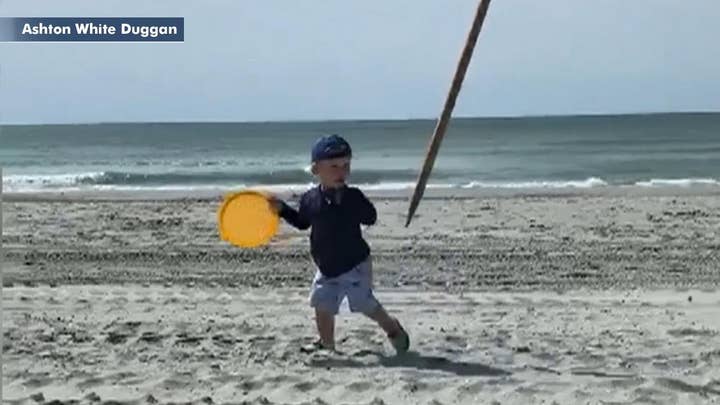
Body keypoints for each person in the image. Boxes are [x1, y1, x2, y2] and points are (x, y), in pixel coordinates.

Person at [269, 134, 410, 354]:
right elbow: (303, 223)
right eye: (333, 166)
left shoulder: (353, 196)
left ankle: (392, 327)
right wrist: (283, 210)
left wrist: (354, 206)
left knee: (364, 303)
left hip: (355, 263)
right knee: (321, 304)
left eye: (346, 166)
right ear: (316, 170)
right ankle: (327, 345)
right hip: (326, 265)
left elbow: (370, 217)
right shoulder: (310, 199)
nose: (341, 172)